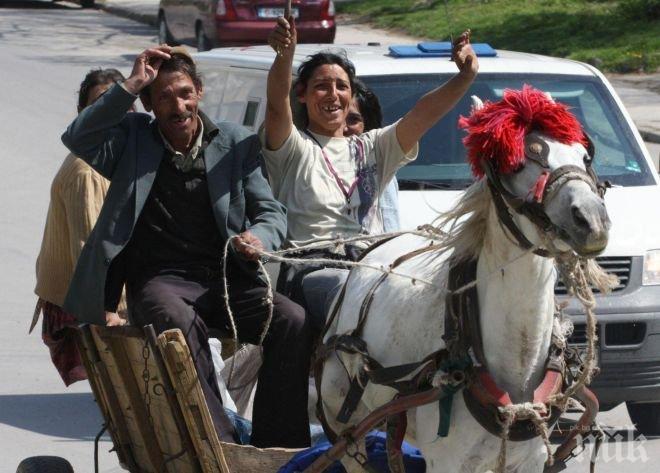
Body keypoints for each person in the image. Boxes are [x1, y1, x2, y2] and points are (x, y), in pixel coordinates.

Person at [60, 46, 313, 448]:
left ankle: (280, 446)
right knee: (177, 322)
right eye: (163, 97)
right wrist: (131, 83)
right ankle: (221, 446)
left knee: (293, 320)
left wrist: (258, 237)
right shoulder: (131, 141)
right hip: (161, 281)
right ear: (148, 103)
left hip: (226, 281)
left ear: (199, 91)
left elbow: (270, 211)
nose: (178, 106)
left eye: (184, 93)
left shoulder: (235, 141)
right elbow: (78, 136)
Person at [262, 17, 478, 327]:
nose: (333, 94)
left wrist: (466, 76)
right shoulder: (293, 146)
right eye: (321, 86)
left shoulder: (374, 146)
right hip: (312, 269)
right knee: (349, 292)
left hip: (373, 266)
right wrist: (284, 55)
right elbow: (275, 105)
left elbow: (423, 114)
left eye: (342, 86)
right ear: (302, 95)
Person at [33, 68, 128, 387]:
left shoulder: (117, 159)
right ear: (86, 116)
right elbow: (89, 249)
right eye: (103, 104)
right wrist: (115, 308)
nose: (115, 111)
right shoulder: (87, 171)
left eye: (122, 102)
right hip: (88, 301)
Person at [344, 78, 400, 232]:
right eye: (338, 116)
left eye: (353, 120)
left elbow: (390, 228)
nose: (343, 127)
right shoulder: (310, 157)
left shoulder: (379, 167)